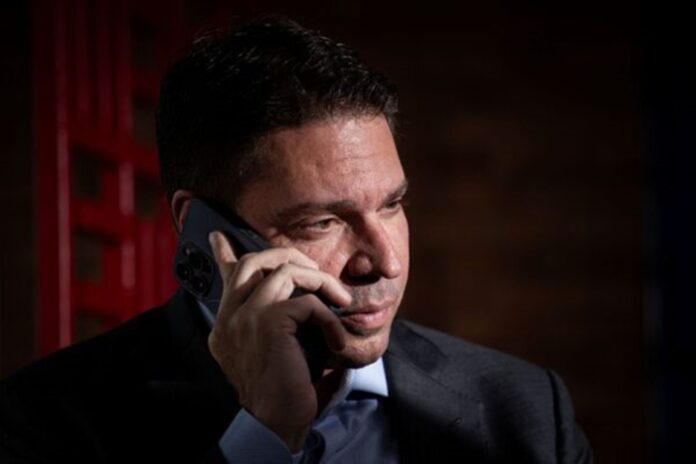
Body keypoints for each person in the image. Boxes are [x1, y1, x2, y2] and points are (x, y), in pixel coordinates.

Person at [0, 17, 592, 463]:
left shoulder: (528, 412)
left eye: (392, 205)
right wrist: (262, 435)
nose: (384, 262)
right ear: (201, 228)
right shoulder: (44, 420)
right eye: (321, 223)